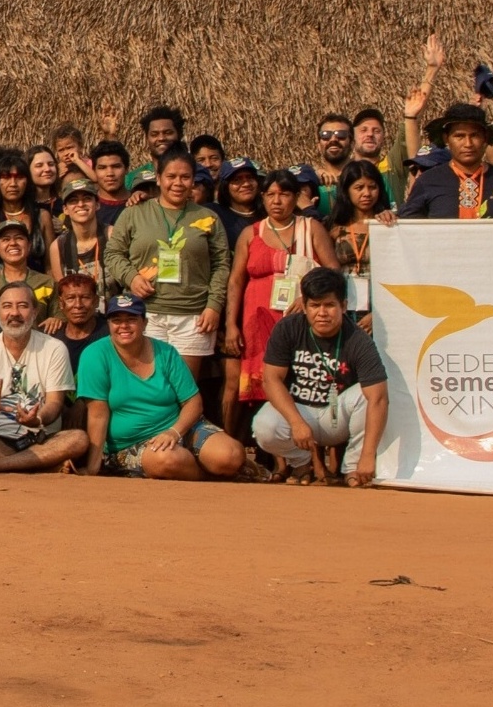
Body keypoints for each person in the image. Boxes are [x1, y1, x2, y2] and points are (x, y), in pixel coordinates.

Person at [78, 287, 246, 480]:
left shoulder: (166, 352)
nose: (123, 326)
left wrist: (174, 432)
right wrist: (93, 465)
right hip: (131, 443)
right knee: (168, 460)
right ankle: (213, 478)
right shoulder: (94, 355)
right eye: (117, 320)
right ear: (108, 324)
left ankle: (218, 468)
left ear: (145, 323)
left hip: (178, 428)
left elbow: (193, 402)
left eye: (132, 319)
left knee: (230, 455)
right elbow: (98, 414)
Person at [111, 151, 229, 406]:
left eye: (185, 177)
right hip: (146, 314)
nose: (178, 183)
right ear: (158, 178)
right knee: (149, 388)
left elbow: (221, 264)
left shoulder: (207, 217)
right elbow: (113, 253)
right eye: (171, 176)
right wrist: (131, 278)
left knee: (183, 390)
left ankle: (180, 440)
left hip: (193, 316)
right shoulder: (135, 213)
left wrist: (214, 305)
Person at [250, 266, 387, 485]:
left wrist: (368, 456)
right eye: (314, 305)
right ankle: (302, 462)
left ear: (344, 306)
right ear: (303, 306)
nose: (322, 313)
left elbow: (379, 398)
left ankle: (353, 467)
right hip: (299, 412)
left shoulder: (359, 339)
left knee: (368, 395)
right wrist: (296, 423)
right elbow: (271, 379)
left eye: (330, 305)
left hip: (337, 415)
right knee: (264, 426)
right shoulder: (288, 329)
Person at [0, 279, 84, 471]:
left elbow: (55, 403)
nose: (14, 313)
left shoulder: (54, 348)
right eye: (7, 306)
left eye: (23, 306)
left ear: (35, 312)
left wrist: (37, 419)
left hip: (41, 438)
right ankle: (39, 467)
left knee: (78, 439)